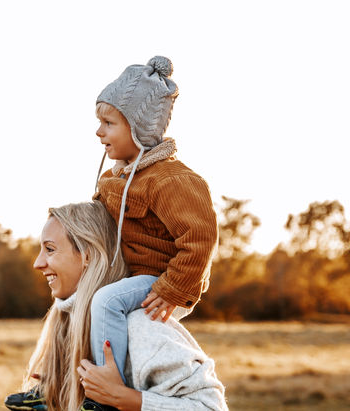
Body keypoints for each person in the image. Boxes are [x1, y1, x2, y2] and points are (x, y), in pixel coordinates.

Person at [4, 202, 225, 411]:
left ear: (88, 255)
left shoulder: (140, 326)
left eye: (50, 249)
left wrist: (124, 398)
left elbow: (211, 407)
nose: (38, 263)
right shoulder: (70, 325)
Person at [88, 55, 218, 386]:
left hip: (160, 278)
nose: (99, 131)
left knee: (106, 301)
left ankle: (107, 387)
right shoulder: (114, 179)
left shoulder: (172, 180)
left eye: (109, 123)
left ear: (139, 127)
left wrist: (173, 287)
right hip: (129, 275)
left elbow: (200, 238)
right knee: (71, 300)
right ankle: (55, 382)